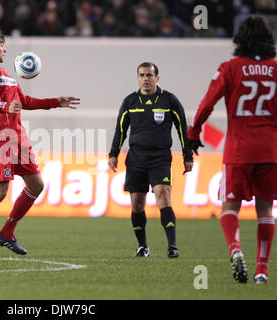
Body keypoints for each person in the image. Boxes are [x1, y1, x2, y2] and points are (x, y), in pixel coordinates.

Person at [0, 27, 80, 260]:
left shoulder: (8, 75)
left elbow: (25, 101)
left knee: (36, 185)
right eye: (3, 45)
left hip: (18, 139)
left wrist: (56, 101)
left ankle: (6, 233)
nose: (5, 49)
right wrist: (4, 106)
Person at [187, 16, 276, 284]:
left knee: (230, 206)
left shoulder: (230, 67)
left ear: (240, 40)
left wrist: (194, 133)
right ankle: (262, 270)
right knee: (265, 210)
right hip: (270, 150)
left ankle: (235, 248)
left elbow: (207, 104)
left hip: (239, 150)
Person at [108, 62, 193, 259]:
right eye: (142, 75)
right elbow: (120, 130)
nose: (145, 78)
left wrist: (187, 156)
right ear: (138, 78)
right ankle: (142, 246)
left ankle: (172, 246)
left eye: (149, 75)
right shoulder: (130, 101)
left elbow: (182, 129)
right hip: (136, 158)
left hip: (160, 157)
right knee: (137, 203)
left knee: (163, 194)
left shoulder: (169, 100)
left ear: (157, 78)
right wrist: (113, 154)